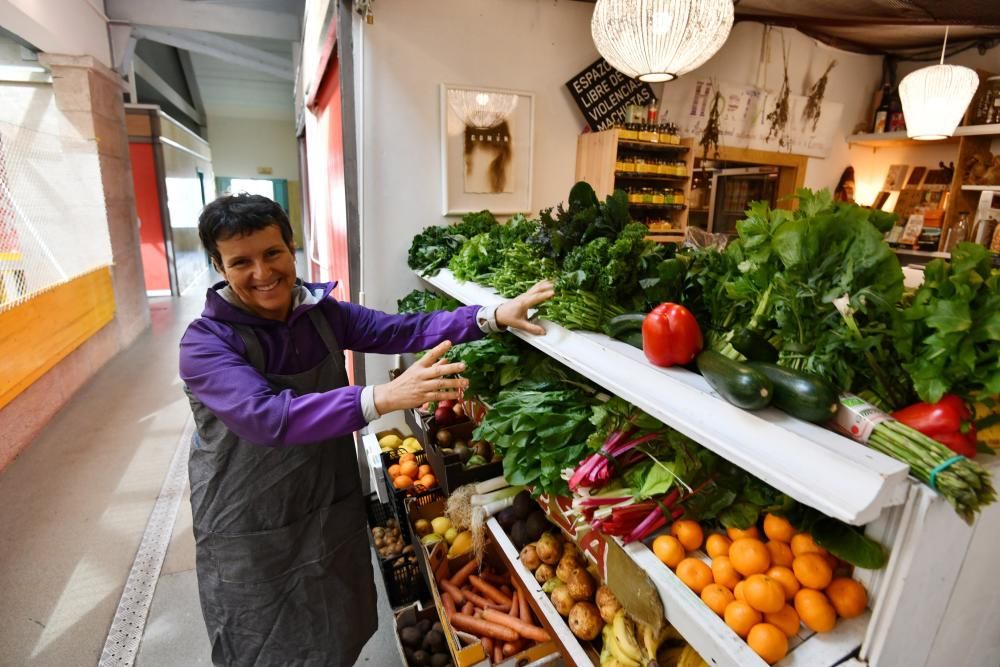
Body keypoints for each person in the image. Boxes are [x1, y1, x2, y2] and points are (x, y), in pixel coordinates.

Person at [179, 194, 553, 666]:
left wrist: (489, 316)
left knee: (334, 629)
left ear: (291, 246)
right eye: (241, 262)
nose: (262, 272)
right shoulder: (205, 344)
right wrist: (379, 398)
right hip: (251, 523)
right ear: (218, 265)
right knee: (261, 644)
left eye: (272, 253)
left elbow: (401, 330)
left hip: (325, 505)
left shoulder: (320, 314)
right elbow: (268, 416)